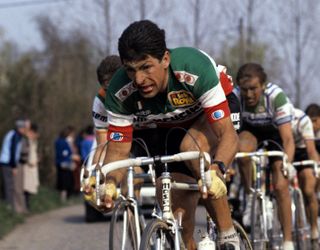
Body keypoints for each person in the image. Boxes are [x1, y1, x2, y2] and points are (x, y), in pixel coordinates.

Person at [85, 20, 240, 249]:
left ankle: (228, 235)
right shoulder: (119, 89)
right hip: (168, 124)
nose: (138, 80)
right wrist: (109, 184)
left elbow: (228, 135)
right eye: (131, 69)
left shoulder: (193, 67)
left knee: (192, 151)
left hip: (211, 113)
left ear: (165, 59)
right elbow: (118, 151)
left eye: (146, 67)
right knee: (177, 214)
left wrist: (218, 168)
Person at [234, 63, 295, 249]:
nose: (249, 94)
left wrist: (288, 164)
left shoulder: (276, 97)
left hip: (275, 134)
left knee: (281, 185)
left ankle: (287, 241)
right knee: (242, 152)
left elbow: (288, 139)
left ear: (263, 85)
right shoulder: (236, 97)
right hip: (251, 132)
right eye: (245, 89)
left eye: (253, 88)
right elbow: (229, 133)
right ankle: (250, 194)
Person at [291, 108, 319, 248]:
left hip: (304, 153)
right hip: (287, 150)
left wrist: (317, 168)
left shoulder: (303, 122)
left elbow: (312, 151)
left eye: (316, 121)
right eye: (312, 120)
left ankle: (314, 230)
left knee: (309, 190)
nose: (314, 124)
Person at [0, 119, 30, 214]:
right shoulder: (15, 136)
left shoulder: (13, 134)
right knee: (9, 186)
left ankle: (11, 207)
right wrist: (14, 166)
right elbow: (13, 152)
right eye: (23, 128)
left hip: (8, 162)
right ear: (20, 128)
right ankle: (9, 208)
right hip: (8, 163)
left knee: (10, 186)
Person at [55, 126, 78, 202]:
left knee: (65, 182)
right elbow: (65, 154)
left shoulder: (59, 141)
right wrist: (72, 157)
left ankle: (64, 198)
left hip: (62, 164)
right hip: (64, 164)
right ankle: (63, 199)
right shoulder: (63, 142)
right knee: (65, 183)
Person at [22, 123, 40, 211]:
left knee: (29, 187)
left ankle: (27, 205)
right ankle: (25, 206)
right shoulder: (25, 140)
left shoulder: (33, 141)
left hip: (32, 167)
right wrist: (30, 162)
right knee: (26, 186)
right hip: (27, 167)